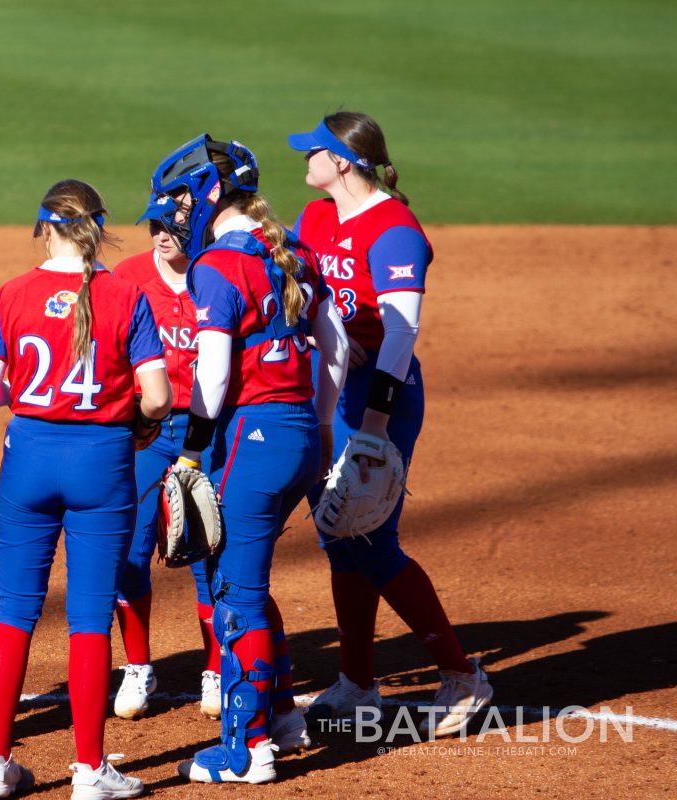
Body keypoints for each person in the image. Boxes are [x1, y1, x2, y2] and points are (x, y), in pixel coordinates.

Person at [137, 135, 347, 784]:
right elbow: (333, 345)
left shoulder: (219, 265)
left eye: (178, 201)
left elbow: (215, 370)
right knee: (248, 580)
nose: (172, 215)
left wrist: (193, 450)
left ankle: (246, 749)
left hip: (251, 439)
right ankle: (281, 715)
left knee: (234, 595)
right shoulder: (288, 253)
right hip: (300, 440)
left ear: (207, 196)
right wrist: (316, 425)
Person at [287, 112, 493, 738]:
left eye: (314, 152)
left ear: (343, 161)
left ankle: (462, 676)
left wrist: (373, 422)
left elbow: (401, 332)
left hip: (382, 393)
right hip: (331, 387)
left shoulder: (396, 231)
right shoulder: (315, 216)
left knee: (370, 534)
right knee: (335, 530)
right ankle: (356, 681)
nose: (305, 160)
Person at [0, 179, 171, 799]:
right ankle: (89, 771)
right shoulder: (127, 294)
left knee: (14, 610)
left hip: (27, 459)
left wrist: (33, 399)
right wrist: (135, 423)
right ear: (97, 228)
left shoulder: (12, 293)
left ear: (43, 227)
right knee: (88, 617)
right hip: (103, 463)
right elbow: (158, 396)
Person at [110, 215, 221, 721]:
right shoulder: (128, 276)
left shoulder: (219, 271)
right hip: (145, 429)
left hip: (207, 430)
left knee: (208, 549)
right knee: (128, 550)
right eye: (154, 223)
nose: (161, 234)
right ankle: (138, 666)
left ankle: (217, 669)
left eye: (173, 225)